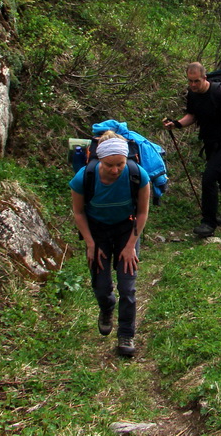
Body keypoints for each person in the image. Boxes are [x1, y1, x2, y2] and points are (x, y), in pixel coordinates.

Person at [69, 132, 150, 357]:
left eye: (120, 164)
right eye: (109, 165)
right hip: (96, 231)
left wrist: (130, 245)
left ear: (127, 160)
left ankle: (126, 335)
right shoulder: (84, 177)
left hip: (127, 229)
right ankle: (106, 308)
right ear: (100, 161)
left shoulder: (137, 175)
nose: (115, 170)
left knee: (128, 286)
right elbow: (78, 212)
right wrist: (90, 244)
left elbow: (143, 212)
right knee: (101, 285)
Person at [163, 62, 221, 236]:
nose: (193, 85)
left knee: (209, 177)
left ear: (204, 77)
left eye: (196, 81)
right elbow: (193, 115)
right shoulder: (193, 94)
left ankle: (208, 223)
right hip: (210, 142)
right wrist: (177, 124)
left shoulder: (220, 93)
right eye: (190, 81)